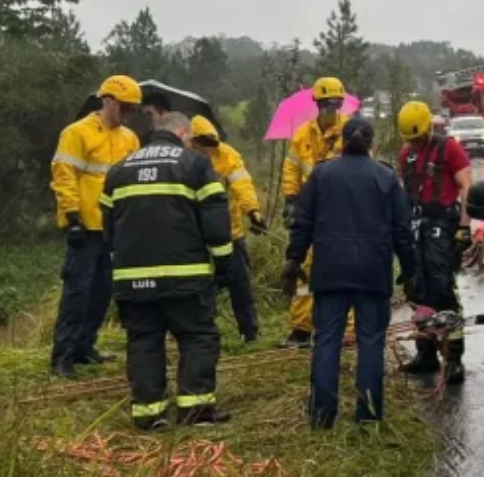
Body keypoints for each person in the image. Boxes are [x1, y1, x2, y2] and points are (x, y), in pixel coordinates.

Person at [100, 111, 234, 430]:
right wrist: (225, 266)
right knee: (197, 336)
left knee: (143, 340)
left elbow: (108, 227)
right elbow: (215, 223)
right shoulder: (195, 165)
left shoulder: (118, 171)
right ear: (183, 132)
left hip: (132, 279)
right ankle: (196, 410)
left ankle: (149, 414)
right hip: (185, 275)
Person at [284, 116, 419, 427]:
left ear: (342, 142)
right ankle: (369, 415)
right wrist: (410, 270)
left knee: (327, 339)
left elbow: (302, 223)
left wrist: (293, 260)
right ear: (372, 144)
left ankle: (322, 415)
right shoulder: (385, 177)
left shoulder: (321, 174)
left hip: (330, 270)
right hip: (373, 270)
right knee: (370, 340)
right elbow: (402, 230)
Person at [49, 75, 142, 379]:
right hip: (85, 229)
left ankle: (86, 346)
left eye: (133, 110)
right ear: (108, 101)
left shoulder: (129, 139)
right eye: (125, 107)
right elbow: (64, 176)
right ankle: (63, 356)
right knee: (77, 293)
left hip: (115, 230)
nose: (128, 114)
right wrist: (72, 217)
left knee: (102, 293)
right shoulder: (77, 133)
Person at [395, 100, 474, 384]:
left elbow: (467, 186)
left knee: (442, 291)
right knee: (417, 292)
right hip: (417, 228)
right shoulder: (407, 155)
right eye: (411, 139)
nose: (415, 143)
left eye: (419, 137)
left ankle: (453, 359)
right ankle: (426, 353)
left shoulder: (448, 148)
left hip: (443, 226)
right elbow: (403, 195)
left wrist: (464, 229)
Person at [279, 76, 355, 348]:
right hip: (311, 211)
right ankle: (301, 328)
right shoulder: (303, 135)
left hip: (342, 212)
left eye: (335, 104)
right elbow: (291, 168)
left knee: (343, 267)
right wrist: (290, 199)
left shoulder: (351, 132)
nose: (330, 110)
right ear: (317, 105)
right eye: (325, 104)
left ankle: (348, 330)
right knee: (303, 269)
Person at [189, 116, 265, 342]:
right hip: (196, 235)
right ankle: (201, 331)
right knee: (200, 286)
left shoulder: (228, 155)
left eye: (211, 146)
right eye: (203, 146)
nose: (208, 151)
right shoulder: (184, 159)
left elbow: (242, 184)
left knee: (240, 284)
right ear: (193, 143)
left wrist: (253, 211)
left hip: (229, 231)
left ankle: (249, 332)